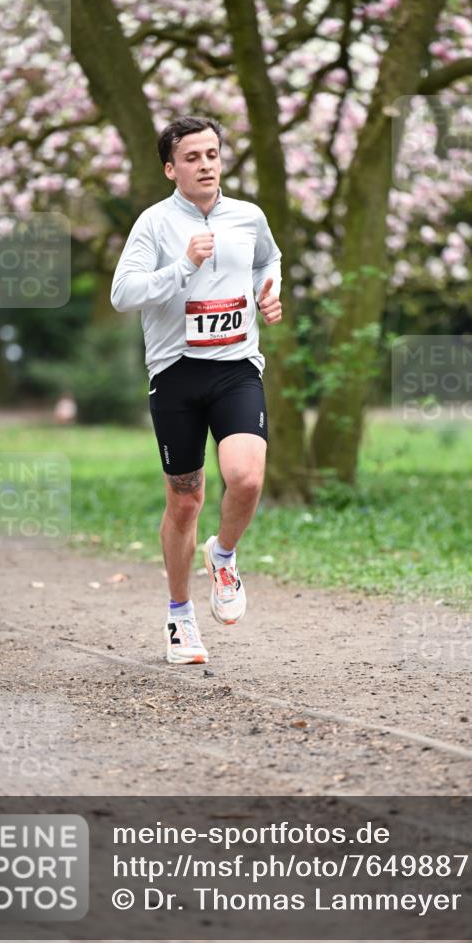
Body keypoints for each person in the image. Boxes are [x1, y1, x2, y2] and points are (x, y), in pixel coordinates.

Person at [111, 116, 282, 665]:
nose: (205, 164)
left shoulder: (248, 216)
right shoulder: (154, 225)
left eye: (212, 154)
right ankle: (180, 615)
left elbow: (268, 260)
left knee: (247, 477)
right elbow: (123, 293)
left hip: (235, 366)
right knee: (185, 501)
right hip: (176, 373)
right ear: (170, 168)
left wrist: (265, 294)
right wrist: (183, 266)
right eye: (192, 157)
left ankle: (225, 554)